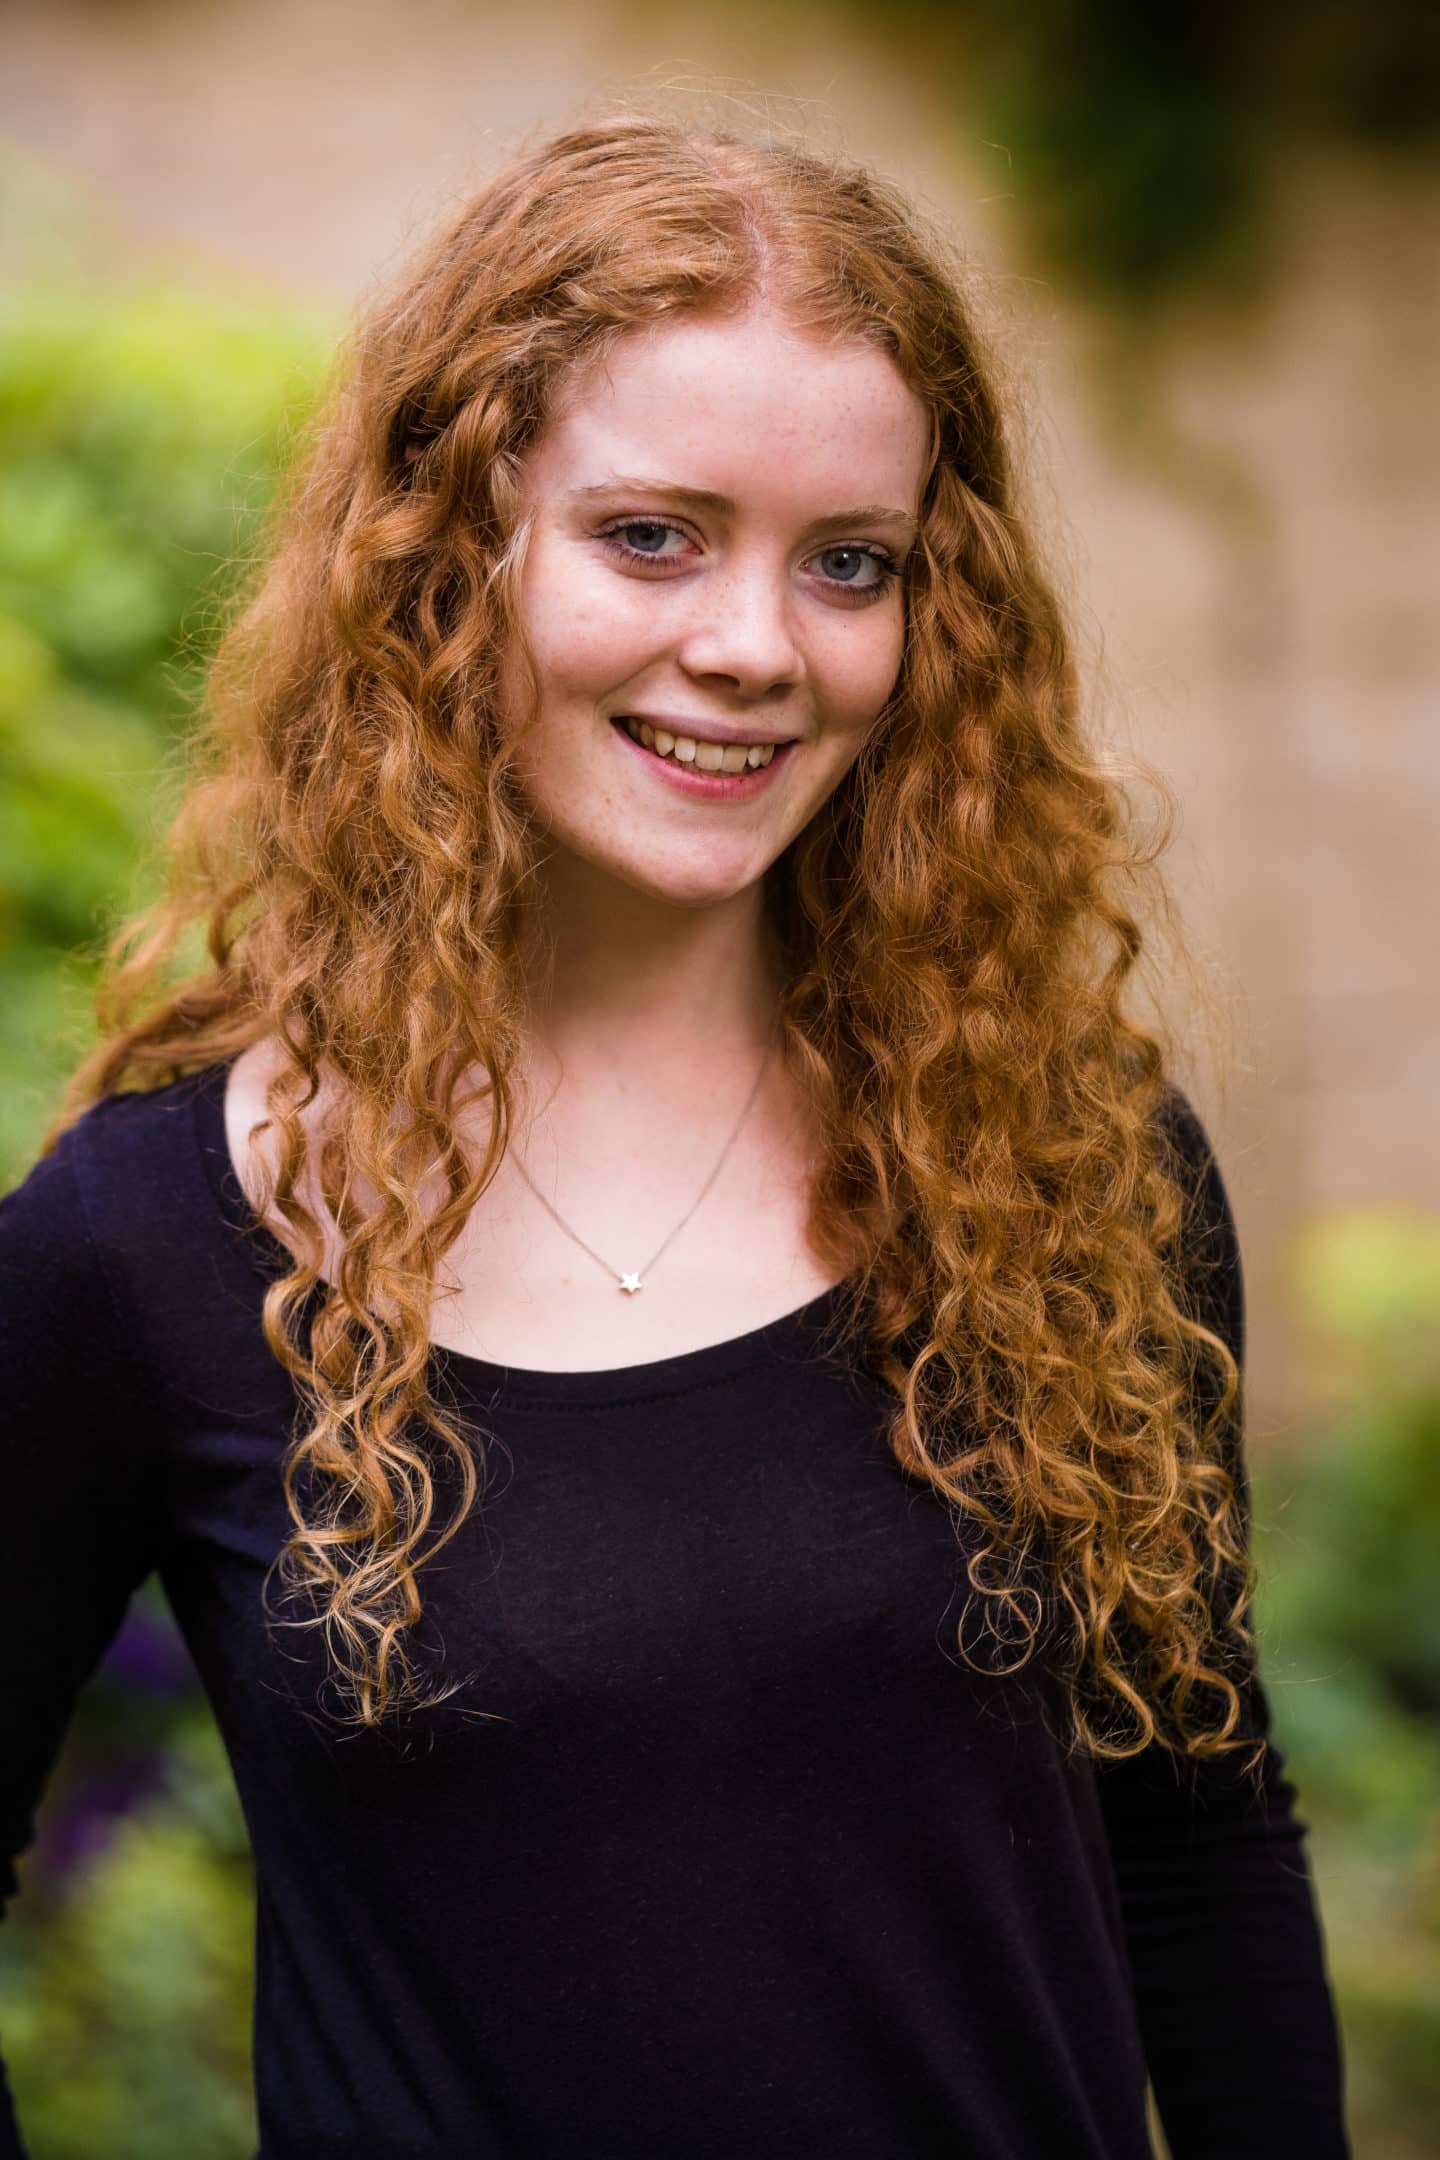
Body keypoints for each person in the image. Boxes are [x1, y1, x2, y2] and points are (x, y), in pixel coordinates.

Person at [0, 111, 1348, 2158]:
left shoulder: (1070, 1168)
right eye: (652, 534)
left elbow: (1200, 1846)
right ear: (448, 557)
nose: (755, 645)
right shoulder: (155, 1239)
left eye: (850, 565)